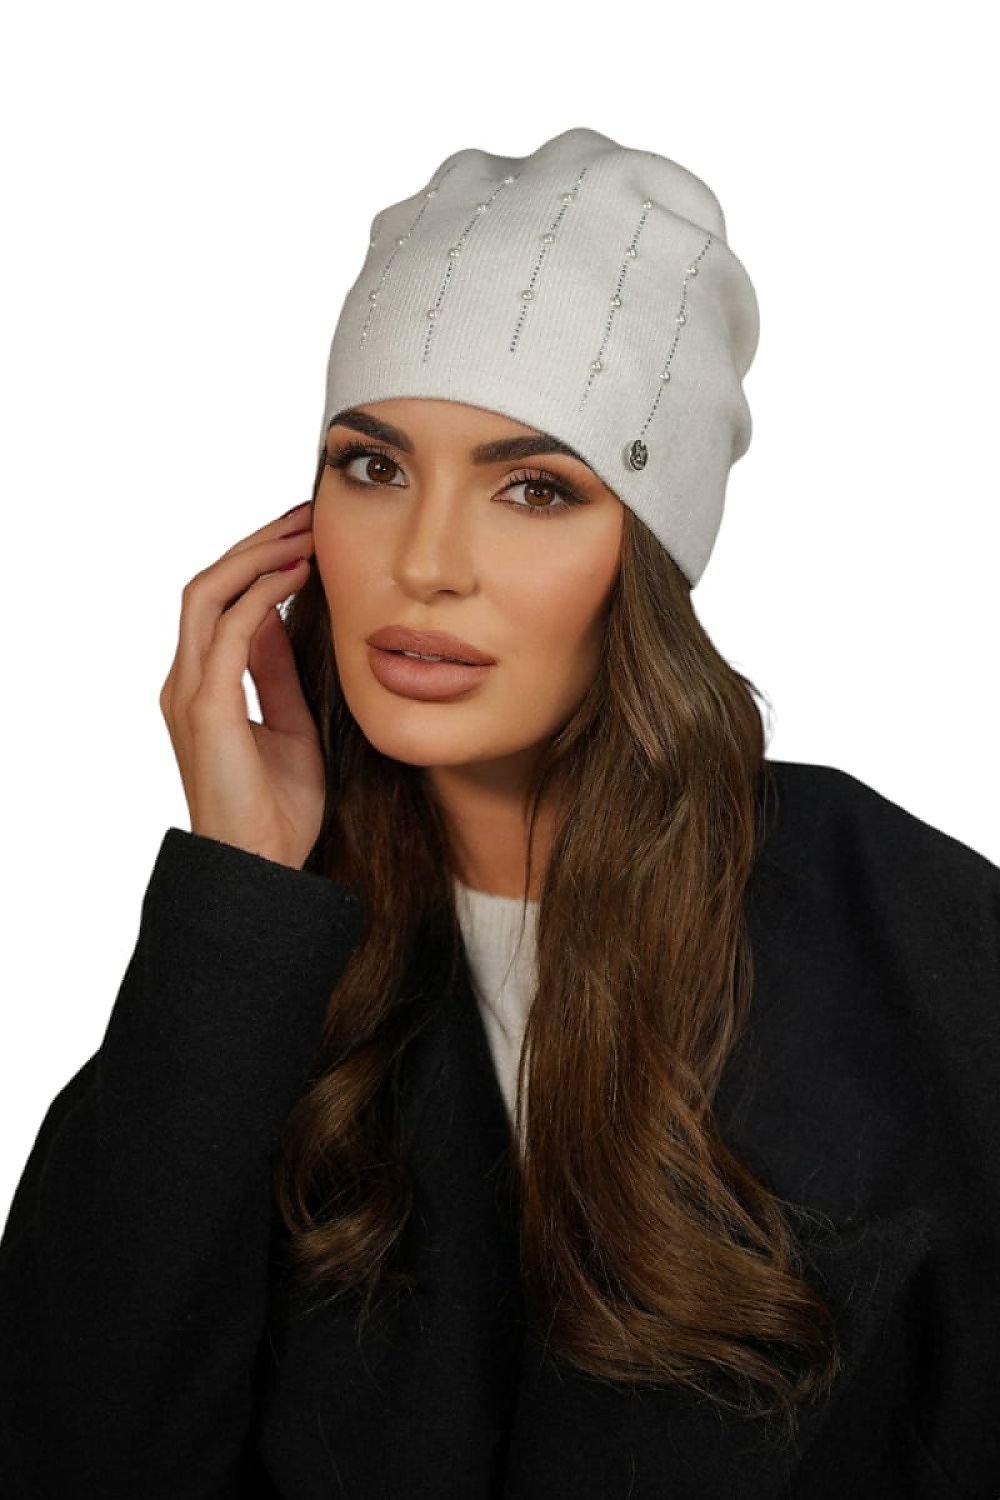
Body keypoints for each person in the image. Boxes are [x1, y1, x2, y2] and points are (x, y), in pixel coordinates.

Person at [1, 126, 997, 1500]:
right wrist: (235, 900)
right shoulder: (261, 953)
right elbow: (70, 1448)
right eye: (373, 467)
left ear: (647, 554)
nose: (424, 563)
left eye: (534, 488)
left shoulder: (917, 941)